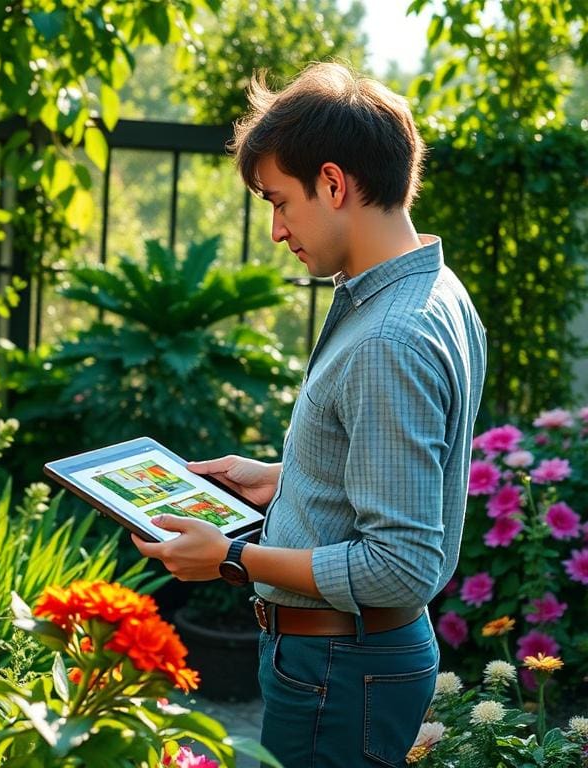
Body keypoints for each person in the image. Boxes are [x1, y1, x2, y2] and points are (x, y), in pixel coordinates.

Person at [133, 62, 487, 768]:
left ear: (333, 183)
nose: (274, 230)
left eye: (280, 201)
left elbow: (400, 563)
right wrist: (286, 476)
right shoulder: (430, 290)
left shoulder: (390, 336)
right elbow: (391, 476)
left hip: (339, 668)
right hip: (349, 660)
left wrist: (231, 558)